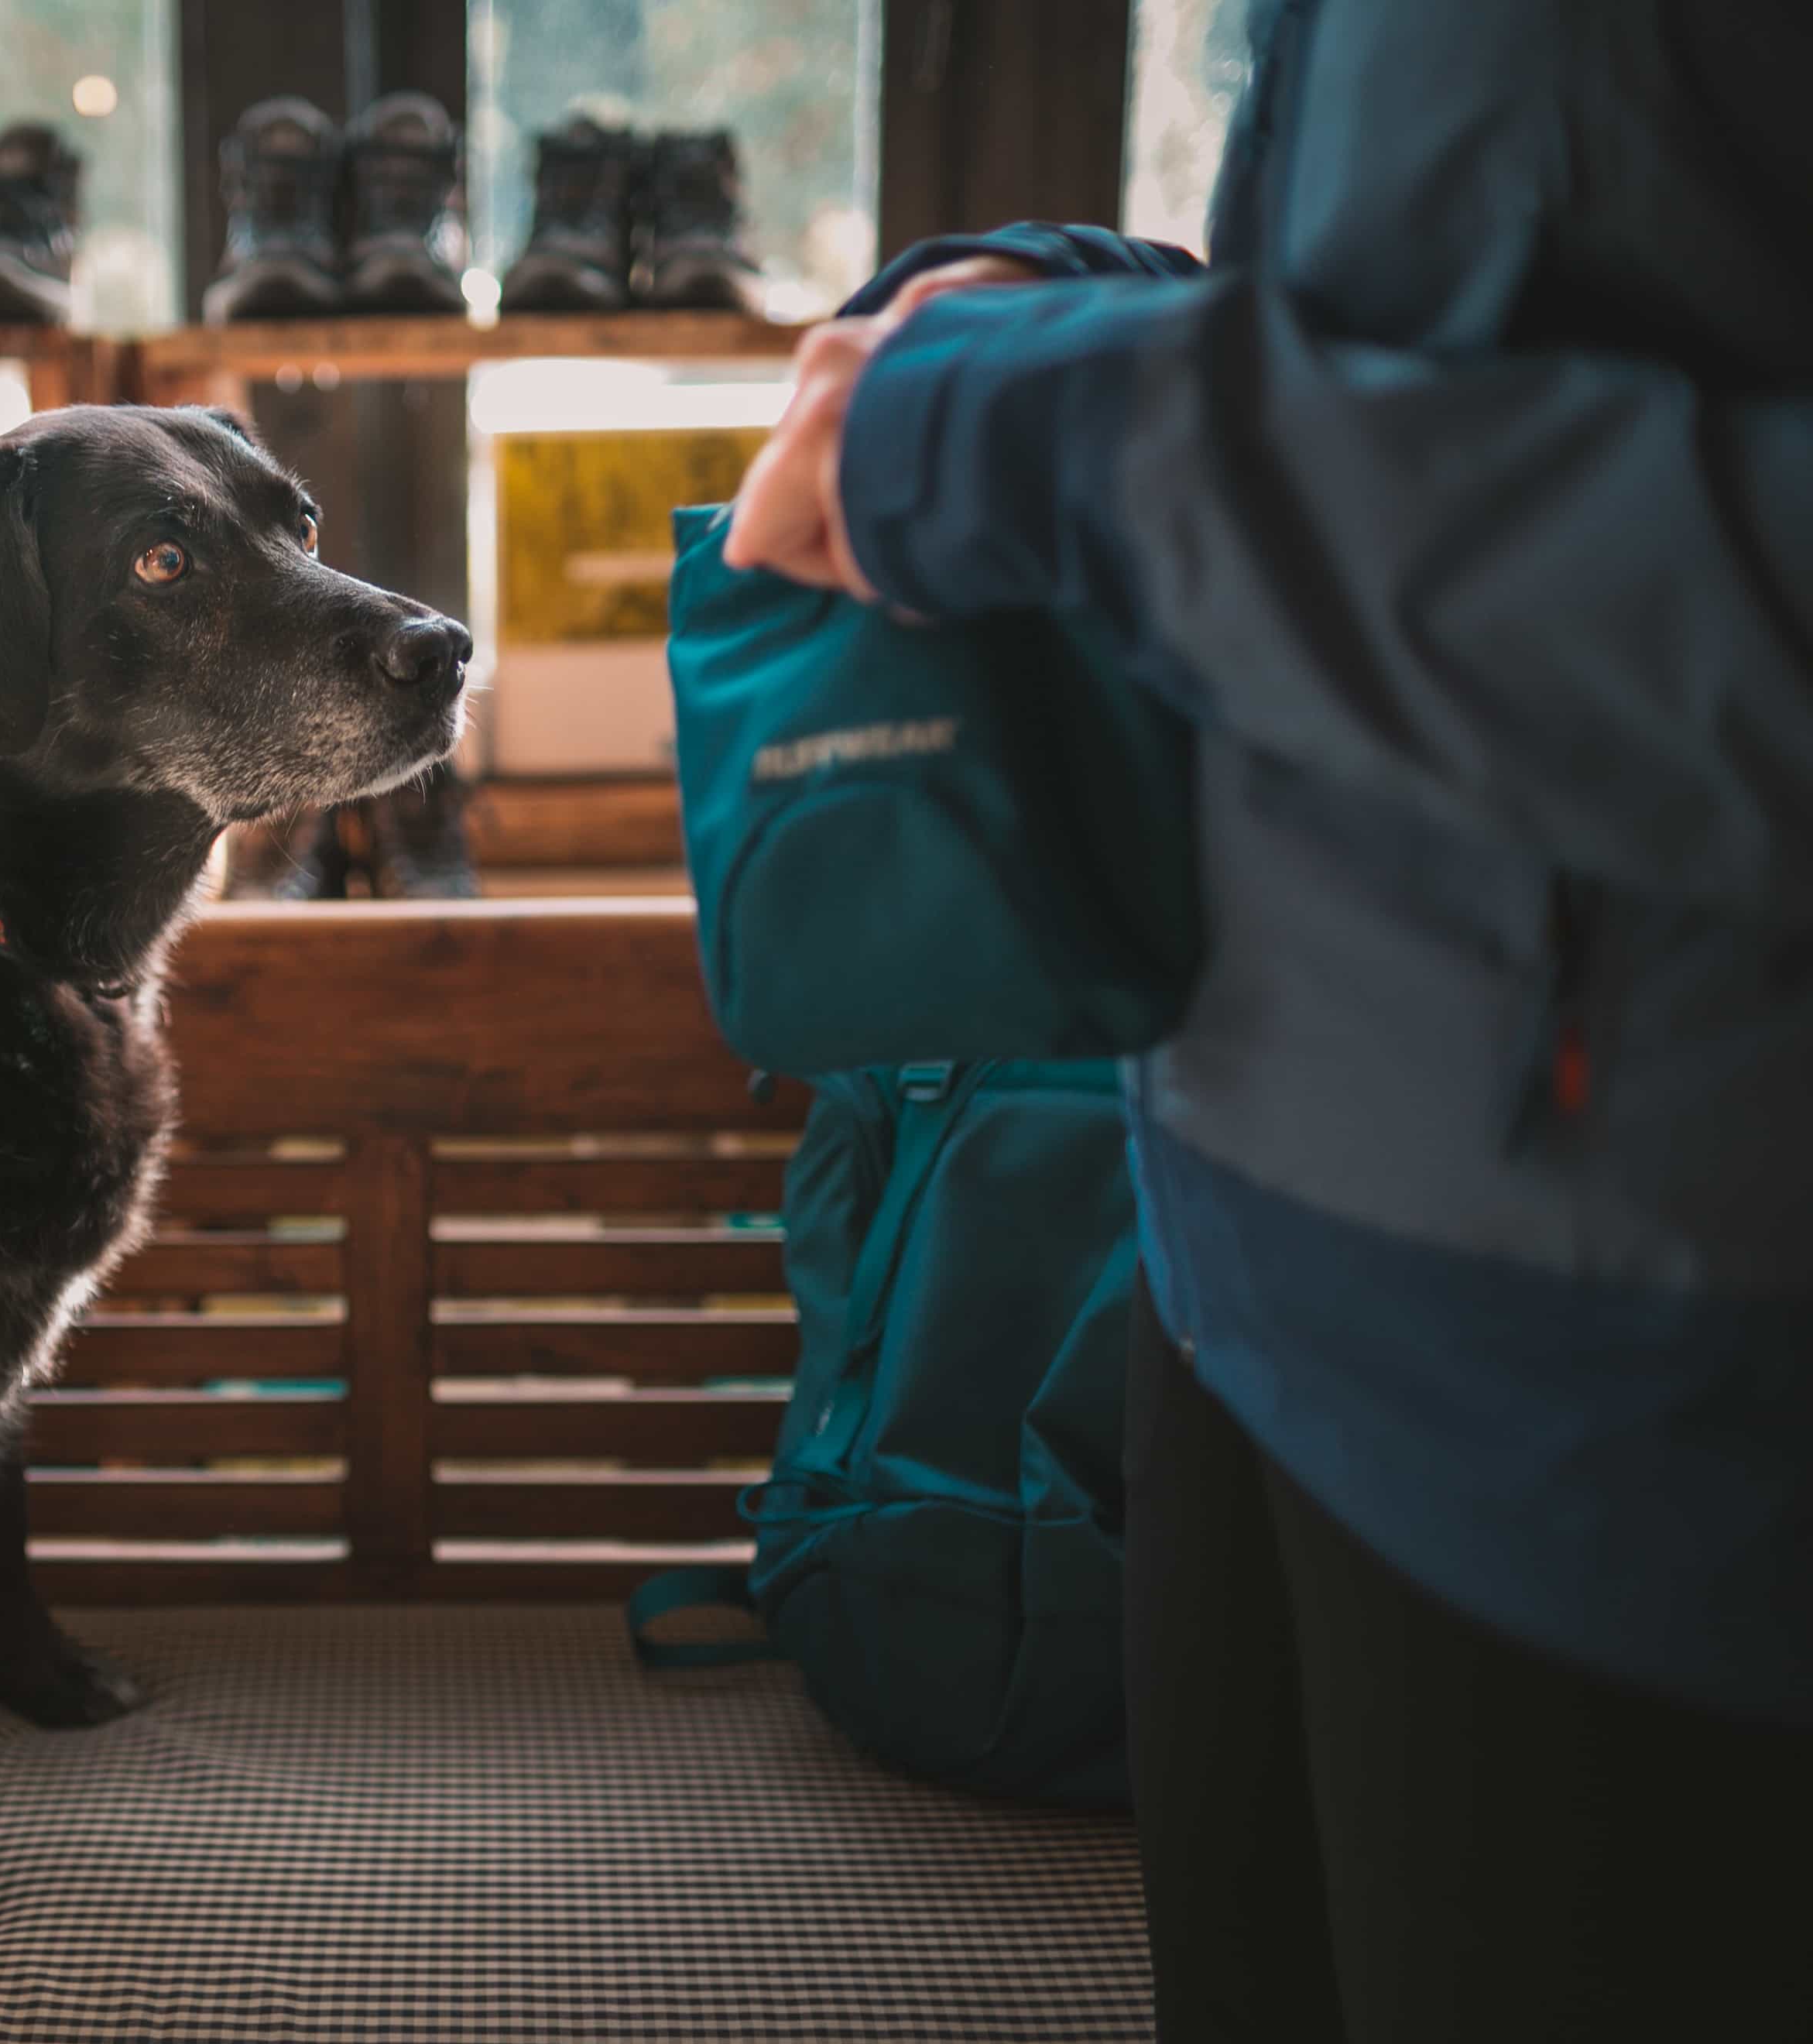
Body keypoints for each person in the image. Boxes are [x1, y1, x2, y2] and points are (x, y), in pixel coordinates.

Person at [724, 3, 1813, 2039]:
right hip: (1240, 1248)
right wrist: (1096, 304)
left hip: (1640, 1374)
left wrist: (1049, 427)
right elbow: (1576, 300)